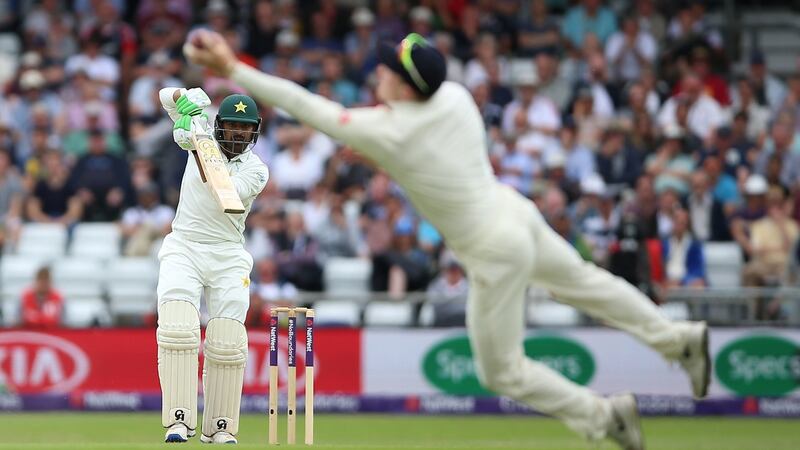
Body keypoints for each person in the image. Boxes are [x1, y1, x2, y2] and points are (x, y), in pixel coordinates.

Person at [184, 30, 710, 449]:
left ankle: (604, 416)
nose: (379, 71)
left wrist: (233, 69)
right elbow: (411, 148)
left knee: (500, 371)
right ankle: (678, 336)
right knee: (589, 284)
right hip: (517, 215)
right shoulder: (455, 97)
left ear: (407, 87)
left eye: (389, 68)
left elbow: (309, 107)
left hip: (493, 247)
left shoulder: (388, 130)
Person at [155, 87, 268, 444]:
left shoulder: (257, 170)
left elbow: (225, 193)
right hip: (184, 245)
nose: (237, 133)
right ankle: (178, 420)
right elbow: (164, 98)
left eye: (244, 128)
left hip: (228, 253)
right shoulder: (201, 131)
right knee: (177, 328)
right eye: (232, 125)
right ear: (221, 126)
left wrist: (197, 139)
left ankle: (220, 426)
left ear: (254, 132)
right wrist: (185, 101)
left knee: (227, 341)